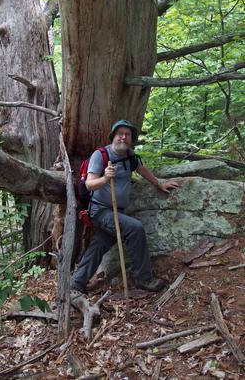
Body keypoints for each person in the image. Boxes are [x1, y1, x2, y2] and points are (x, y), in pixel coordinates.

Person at [71, 119, 179, 294]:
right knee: (135, 228)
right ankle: (144, 279)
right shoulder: (101, 155)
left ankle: (77, 283)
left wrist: (159, 183)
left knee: (100, 244)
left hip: (117, 211)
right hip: (100, 211)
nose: (123, 137)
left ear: (131, 139)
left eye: (127, 134)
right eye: (120, 134)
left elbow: (142, 169)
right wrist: (105, 179)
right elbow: (89, 185)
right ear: (113, 137)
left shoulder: (130, 156)